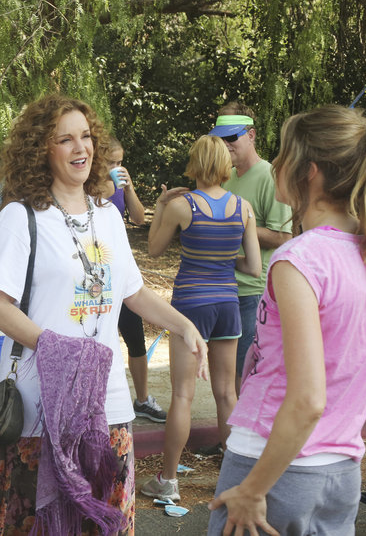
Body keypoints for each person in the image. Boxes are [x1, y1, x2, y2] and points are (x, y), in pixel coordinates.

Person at [0, 94, 207, 535]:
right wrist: (57, 349)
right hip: (40, 407)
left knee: (104, 523)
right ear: (41, 149)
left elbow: (134, 293)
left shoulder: (107, 215)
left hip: (107, 404)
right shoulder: (21, 217)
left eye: (86, 136)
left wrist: (184, 325)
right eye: (65, 140)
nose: (81, 148)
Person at [207, 105, 366, 535]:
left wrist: (253, 489)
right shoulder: (365, 254)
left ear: (309, 172)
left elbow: (308, 399)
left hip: (272, 463)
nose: (275, 162)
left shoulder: (299, 259)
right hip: (341, 472)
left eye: (282, 153)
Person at [141, 135, 261, 502]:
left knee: (182, 394)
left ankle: (168, 481)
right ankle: (233, 479)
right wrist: (222, 257)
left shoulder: (182, 206)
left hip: (190, 306)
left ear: (195, 162)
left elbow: (153, 249)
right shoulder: (243, 208)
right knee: (227, 393)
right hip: (227, 303)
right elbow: (254, 267)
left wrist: (160, 205)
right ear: (224, 165)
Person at [209, 102, 292, 393]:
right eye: (220, 138)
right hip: (223, 288)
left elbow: (284, 237)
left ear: (252, 135)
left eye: (232, 137)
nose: (225, 144)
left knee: (247, 376)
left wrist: (234, 224)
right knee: (225, 378)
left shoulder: (270, 175)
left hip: (253, 292)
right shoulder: (226, 177)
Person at [104, 136, 166, 423]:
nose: (116, 166)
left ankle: (142, 399)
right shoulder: (86, 186)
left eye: (120, 161)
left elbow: (139, 219)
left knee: (135, 336)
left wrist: (128, 189)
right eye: (111, 161)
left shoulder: (120, 183)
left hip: (121, 271)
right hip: (95, 274)